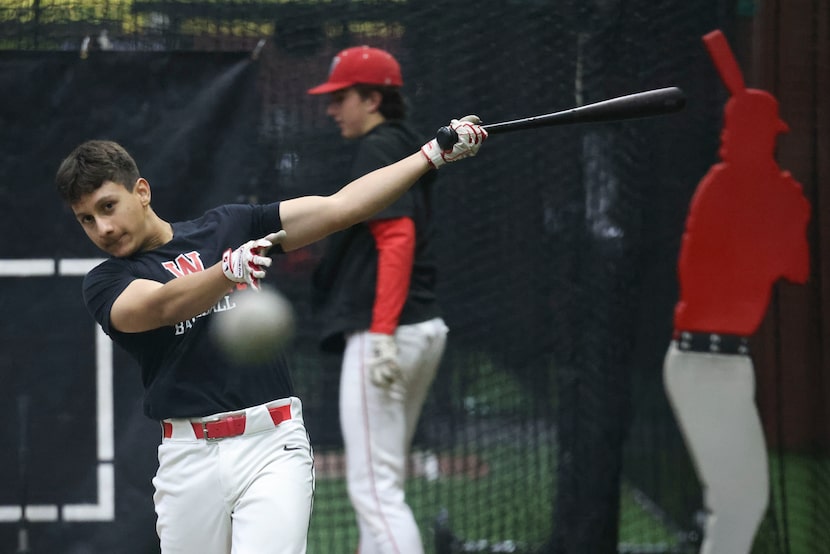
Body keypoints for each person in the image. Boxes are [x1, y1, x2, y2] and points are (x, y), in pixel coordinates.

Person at [54, 120, 486, 554]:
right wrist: (226, 272)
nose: (102, 228)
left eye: (108, 206)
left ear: (141, 191)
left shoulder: (229, 226)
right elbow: (162, 305)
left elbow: (342, 207)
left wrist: (431, 155)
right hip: (188, 457)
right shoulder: (105, 282)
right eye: (86, 219)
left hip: (271, 443)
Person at [663, 30, 810, 554]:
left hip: (730, 363)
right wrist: (776, 212)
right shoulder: (721, 189)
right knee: (741, 504)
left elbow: (797, 269)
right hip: (702, 363)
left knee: (740, 503)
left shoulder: (769, 194)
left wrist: (791, 217)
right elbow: (707, 273)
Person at [306, 45, 455, 554]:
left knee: (373, 488)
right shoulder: (405, 144)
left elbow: (397, 239)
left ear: (371, 99)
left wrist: (384, 333)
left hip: (387, 331)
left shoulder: (379, 146)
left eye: (340, 98)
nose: (331, 110)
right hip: (420, 327)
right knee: (382, 482)